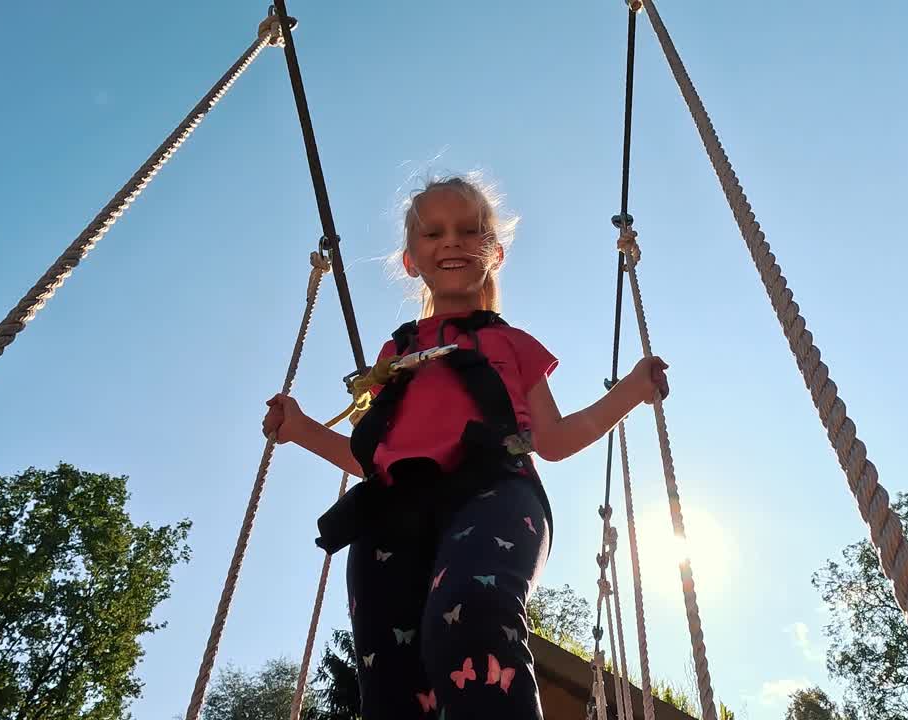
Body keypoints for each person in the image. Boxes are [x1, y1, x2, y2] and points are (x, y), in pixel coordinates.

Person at [263, 175, 668, 720]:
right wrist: (302, 428)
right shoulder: (396, 352)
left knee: (472, 612)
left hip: (493, 491)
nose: (451, 241)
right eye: (433, 233)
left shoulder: (513, 344)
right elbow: (372, 457)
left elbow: (553, 439)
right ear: (411, 260)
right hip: (394, 509)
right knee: (390, 675)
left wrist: (630, 392)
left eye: (469, 230)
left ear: (494, 254)